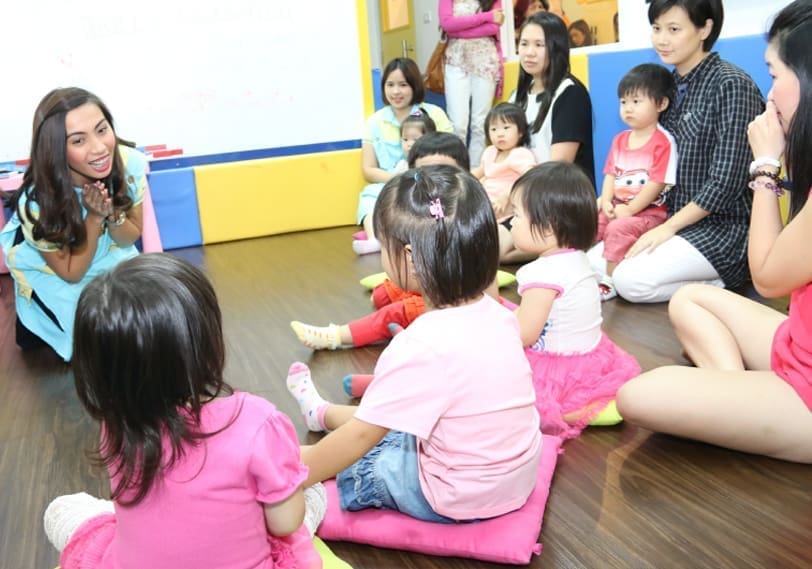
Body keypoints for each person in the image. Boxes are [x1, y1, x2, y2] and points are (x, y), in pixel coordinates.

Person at [287, 165, 542, 522]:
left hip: (460, 496)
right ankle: (323, 414)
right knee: (403, 426)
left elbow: (360, 438)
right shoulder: (500, 315)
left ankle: (322, 438)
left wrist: (292, 474)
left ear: (410, 258)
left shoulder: (419, 345)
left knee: (369, 461)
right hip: (516, 480)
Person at [616, 0, 812, 464]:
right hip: (798, 339)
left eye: (775, 74)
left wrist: (766, 165)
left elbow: (766, 279)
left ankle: (740, 401)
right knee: (688, 300)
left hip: (803, 383)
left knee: (636, 396)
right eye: (656, 28)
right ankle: (738, 397)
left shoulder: (729, 85)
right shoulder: (676, 88)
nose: (769, 94)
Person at [42, 254, 327, 568]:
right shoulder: (256, 422)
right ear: (205, 342)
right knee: (312, 492)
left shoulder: (116, 426)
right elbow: (285, 524)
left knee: (62, 508)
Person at [590, 0, 764, 303]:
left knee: (629, 281)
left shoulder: (732, 84)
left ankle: (721, 280)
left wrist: (667, 228)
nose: (661, 39)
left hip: (720, 229)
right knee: (592, 264)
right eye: (656, 28)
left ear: (704, 29)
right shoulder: (664, 87)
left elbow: (726, 182)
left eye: (674, 29)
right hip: (663, 219)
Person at [290, 134, 472, 361]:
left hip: (448, 305)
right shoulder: (415, 212)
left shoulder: (464, 216)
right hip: (428, 287)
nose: (433, 181)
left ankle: (334, 336)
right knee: (382, 295)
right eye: (423, 174)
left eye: (442, 172)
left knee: (393, 313)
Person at [0, 87, 146, 361]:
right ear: (56, 150)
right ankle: (35, 319)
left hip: (111, 258)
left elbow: (129, 238)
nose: (100, 148)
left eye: (102, 130)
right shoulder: (37, 201)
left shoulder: (130, 164)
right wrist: (93, 217)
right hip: (57, 272)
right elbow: (71, 272)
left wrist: (111, 213)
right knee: (93, 342)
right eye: (78, 141)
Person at [508, 162, 640, 439]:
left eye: (517, 215)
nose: (511, 221)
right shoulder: (579, 258)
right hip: (588, 356)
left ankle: (568, 412)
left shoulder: (541, 272)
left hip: (555, 365)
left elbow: (524, 335)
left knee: (502, 389)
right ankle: (594, 402)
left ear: (546, 227)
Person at [503, 11, 595, 260]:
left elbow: (558, 167)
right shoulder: (517, 96)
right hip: (523, 202)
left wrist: (512, 193)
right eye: (524, 44)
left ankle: (551, 248)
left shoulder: (570, 94)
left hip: (554, 202)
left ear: (556, 48)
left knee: (491, 252)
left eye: (539, 45)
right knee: (480, 244)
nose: (529, 52)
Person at [354, 58, 453, 256]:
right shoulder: (375, 121)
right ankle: (374, 239)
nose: (396, 92)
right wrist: (397, 179)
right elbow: (369, 169)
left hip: (428, 180)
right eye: (390, 85)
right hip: (391, 181)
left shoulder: (433, 114)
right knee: (369, 195)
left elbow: (451, 154)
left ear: (414, 85)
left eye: (403, 85)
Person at [596, 63, 678, 301]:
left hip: (648, 214)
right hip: (620, 207)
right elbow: (610, 174)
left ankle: (609, 281)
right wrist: (607, 201)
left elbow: (657, 183)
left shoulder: (663, 142)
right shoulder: (620, 139)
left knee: (617, 228)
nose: (628, 108)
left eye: (636, 101)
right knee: (591, 219)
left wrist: (630, 209)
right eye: (623, 102)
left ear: (661, 104)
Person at [439, 0, 504, 168]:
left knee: (480, 124)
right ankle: (456, 172)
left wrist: (459, 30)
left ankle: (475, 174)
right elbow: (447, 24)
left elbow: (493, 28)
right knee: (457, 124)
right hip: (456, 61)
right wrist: (487, 16)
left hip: (485, 63)